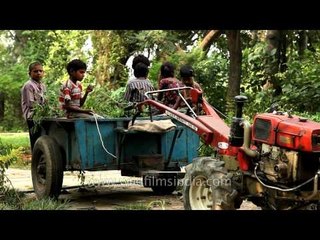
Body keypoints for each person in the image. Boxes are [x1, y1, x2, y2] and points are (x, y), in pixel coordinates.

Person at [21, 61, 46, 148]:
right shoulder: (28, 85)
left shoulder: (42, 85)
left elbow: (45, 100)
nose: (38, 73)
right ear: (29, 73)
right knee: (35, 139)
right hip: (32, 116)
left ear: (43, 72)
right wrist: (43, 108)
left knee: (42, 138)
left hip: (40, 115)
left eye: (40, 71)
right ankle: (35, 159)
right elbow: (31, 103)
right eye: (35, 71)